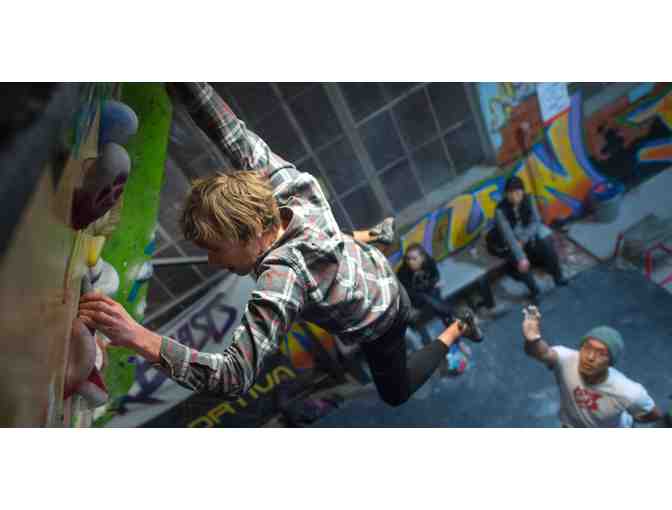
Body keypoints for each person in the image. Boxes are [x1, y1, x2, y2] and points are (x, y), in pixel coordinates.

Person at [78, 82, 482, 408]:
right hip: (371, 268)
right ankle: (371, 239)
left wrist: (138, 336)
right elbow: (229, 130)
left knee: (395, 394)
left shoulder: (283, 279)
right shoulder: (284, 185)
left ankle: (458, 326)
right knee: (334, 247)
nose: (212, 261)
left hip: (384, 320)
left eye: (216, 248)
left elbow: (232, 376)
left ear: (251, 234)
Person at [521, 305, 663, 427]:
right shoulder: (567, 358)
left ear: (610, 362)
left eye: (601, 354)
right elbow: (542, 353)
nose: (590, 357)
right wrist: (533, 339)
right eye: (587, 348)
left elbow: (654, 415)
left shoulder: (629, 392)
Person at [487, 175, 567, 304]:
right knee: (519, 261)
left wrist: (524, 238)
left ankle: (558, 277)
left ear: (522, 192)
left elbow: (536, 221)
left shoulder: (529, 199)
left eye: (518, 193)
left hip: (527, 237)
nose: (514, 197)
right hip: (513, 242)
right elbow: (508, 236)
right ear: (506, 194)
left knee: (546, 242)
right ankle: (535, 291)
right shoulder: (500, 211)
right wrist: (521, 257)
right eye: (510, 194)